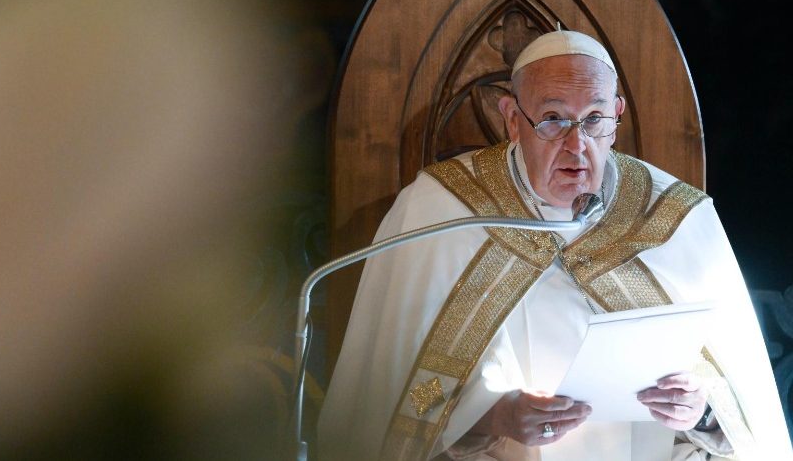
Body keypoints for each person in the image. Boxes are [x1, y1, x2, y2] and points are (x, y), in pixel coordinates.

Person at [317, 30, 792, 460]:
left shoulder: (677, 218)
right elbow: (394, 398)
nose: (577, 144)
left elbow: (742, 404)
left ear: (617, 115)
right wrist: (495, 417)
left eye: (594, 119)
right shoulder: (441, 212)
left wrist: (701, 408)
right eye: (552, 119)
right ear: (511, 119)